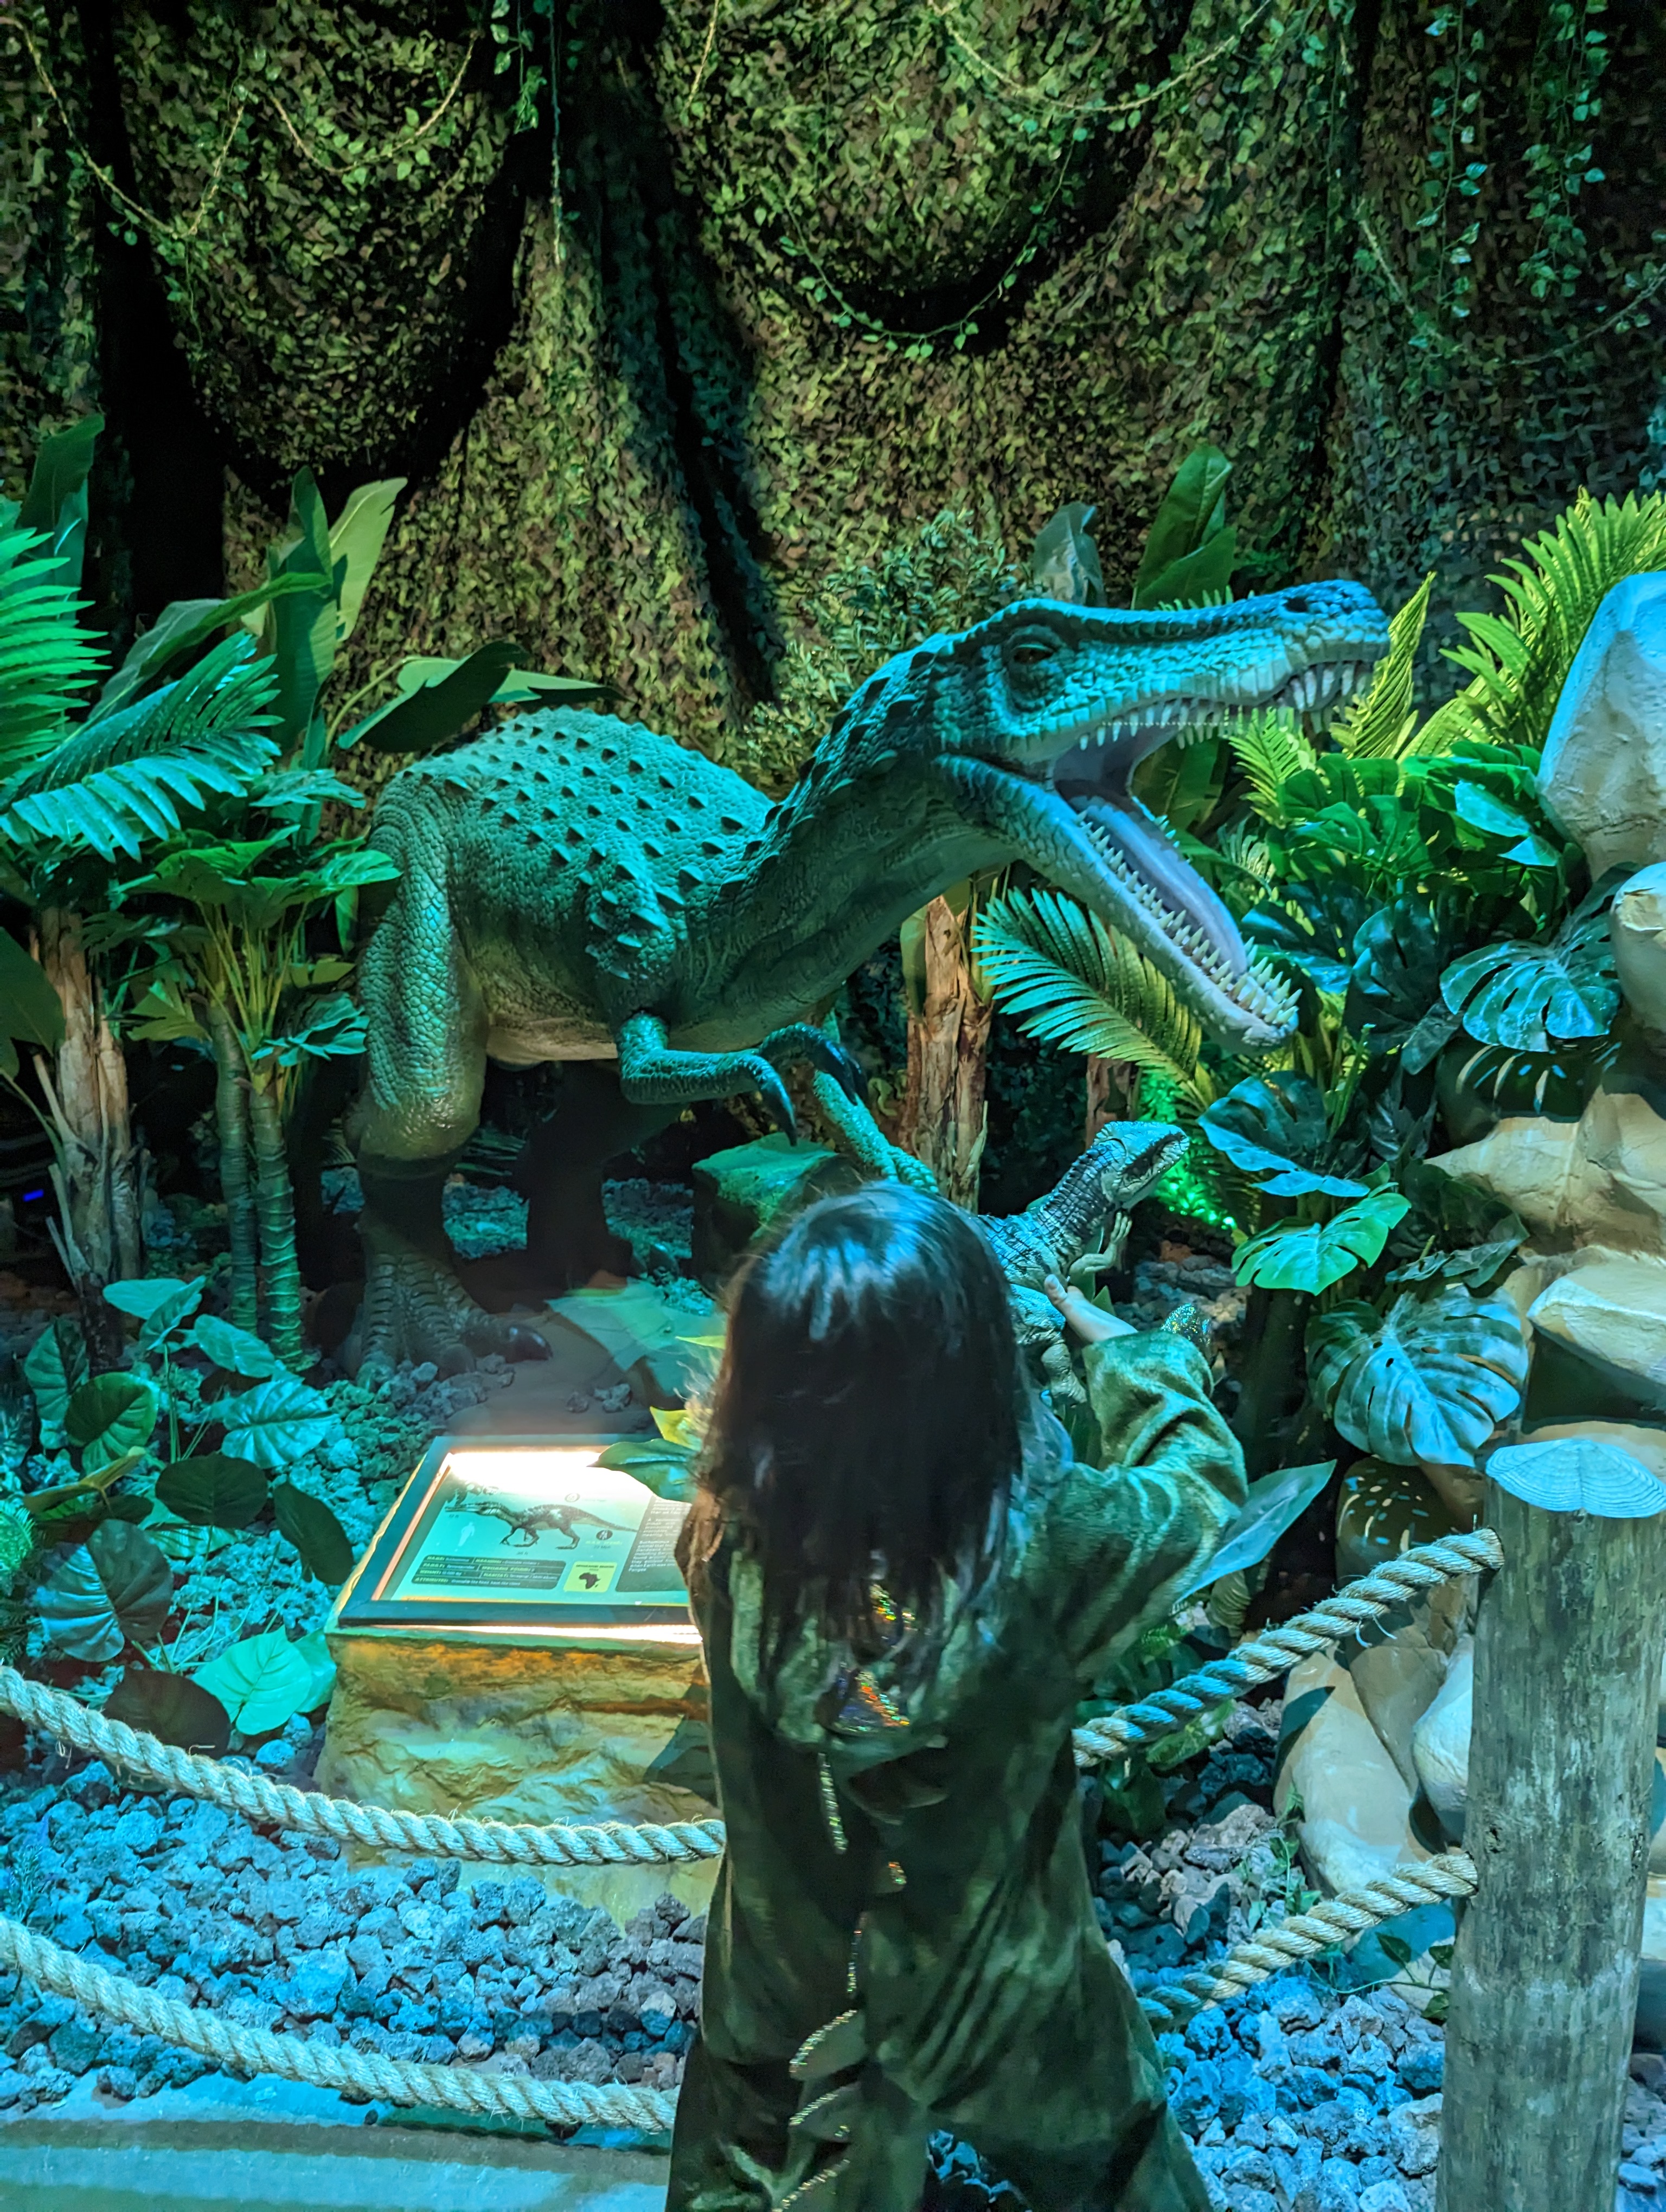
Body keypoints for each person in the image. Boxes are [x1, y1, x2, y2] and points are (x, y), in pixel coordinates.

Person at [668, 1182, 1247, 2212]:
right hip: (998, 1991)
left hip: (785, 1977)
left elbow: (861, 1598)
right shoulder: (1043, 1549)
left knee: (742, 2172)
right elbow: (1199, 1492)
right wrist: (1137, 1358)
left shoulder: (724, 1535)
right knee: (1117, 2164)